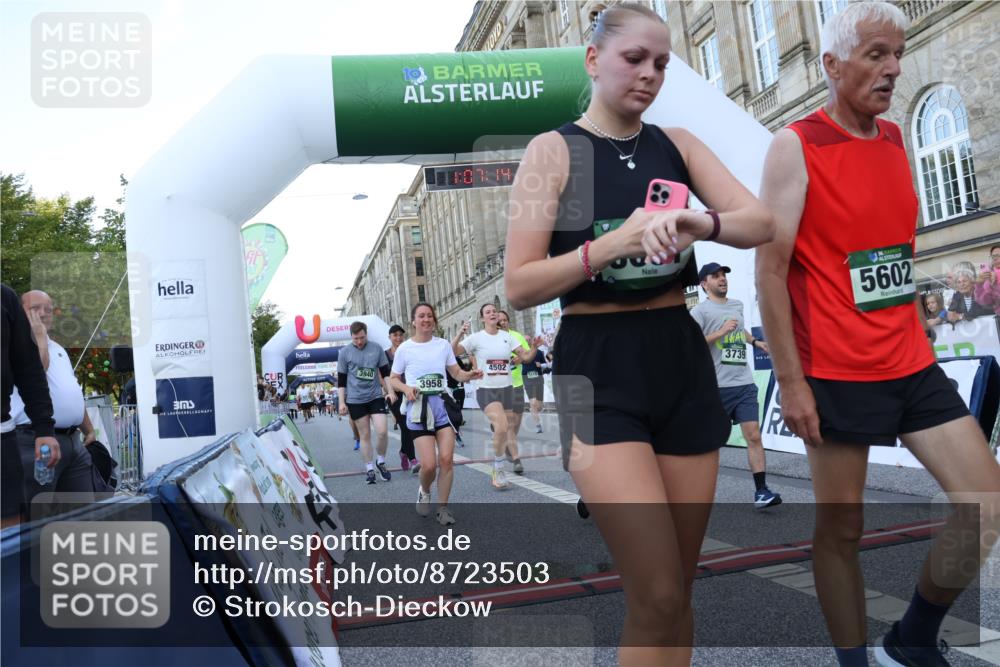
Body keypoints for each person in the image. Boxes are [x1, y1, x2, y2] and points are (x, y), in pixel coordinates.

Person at [503, 4, 775, 663]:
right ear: (594, 60)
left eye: (661, 62)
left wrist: (699, 224)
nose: (650, 74)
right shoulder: (554, 150)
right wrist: (611, 245)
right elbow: (518, 285)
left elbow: (758, 220)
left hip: (679, 357)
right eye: (634, 59)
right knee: (653, 592)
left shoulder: (676, 144)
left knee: (679, 591)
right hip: (591, 366)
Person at [756, 4, 1000, 666]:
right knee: (841, 528)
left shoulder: (895, 140)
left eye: (898, 52)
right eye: (875, 54)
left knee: (984, 504)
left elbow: (884, 259)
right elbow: (770, 271)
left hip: (910, 361)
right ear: (832, 65)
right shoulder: (795, 145)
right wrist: (790, 380)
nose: (893, 67)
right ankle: (854, 661)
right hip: (834, 371)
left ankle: (912, 638)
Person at [690, 263, 781, 509]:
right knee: (708, 444)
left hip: (743, 383)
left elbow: (739, 332)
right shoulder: (700, 312)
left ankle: (761, 491)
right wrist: (720, 332)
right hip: (716, 387)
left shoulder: (737, 305)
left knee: (753, 436)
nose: (722, 279)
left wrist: (755, 342)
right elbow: (692, 344)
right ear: (703, 284)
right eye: (715, 276)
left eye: (723, 276)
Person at [390, 303, 482, 525]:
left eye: (429, 316)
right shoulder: (405, 348)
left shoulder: (443, 346)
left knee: (447, 460)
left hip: (442, 407)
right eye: (421, 316)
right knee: (429, 465)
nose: (426, 319)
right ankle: (424, 489)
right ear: (414, 321)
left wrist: (470, 375)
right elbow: (393, 378)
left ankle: (443, 508)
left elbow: (456, 373)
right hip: (418, 409)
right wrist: (406, 388)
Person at [10, 290, 98, 507]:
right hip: (36, 440)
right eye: (35, 309)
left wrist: (88, 428)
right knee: (39, 512)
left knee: (83, 512)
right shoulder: (13, 344)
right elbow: (35, 373)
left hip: (72, 442)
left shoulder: (57, 348)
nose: (43, 314)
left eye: (48, 310)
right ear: (19, 312)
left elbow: (70, 390)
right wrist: (38, 337)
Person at [452, 304, 542, 489]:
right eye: (488, 312)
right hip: (486, 389)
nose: (493, 314)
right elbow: (452, 352)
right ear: (482, 318)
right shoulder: (476, 338)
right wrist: (460, 333)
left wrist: (534, 347)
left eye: (494, 311)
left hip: (507, 389)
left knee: (504, 429)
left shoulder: (506, 337)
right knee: (501, 427)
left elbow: (525, 357)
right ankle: (498, 468)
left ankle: (500, 462)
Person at [1, 284, 58, 527]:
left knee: (9, 523)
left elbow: (28, 368)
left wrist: (44, 428)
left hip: (2, 435)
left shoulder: (5, 297)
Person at [338, 322, 395, 484]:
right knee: (365, 435)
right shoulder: (344, 353)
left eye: (362, 337)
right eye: (356, 338)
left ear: (366, 334)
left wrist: (390, 391)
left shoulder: (376, 348)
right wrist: (341, 403)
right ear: (351, 336)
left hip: (375, 396)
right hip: (356, 400)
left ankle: (381, 462)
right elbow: (341, 381)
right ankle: (370, 468)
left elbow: (385, 373)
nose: (359, 341)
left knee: (382, 431)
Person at [497, 310, 531, 472]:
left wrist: (522, 358)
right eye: (500, 320)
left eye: (505, 320)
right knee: (510, 424)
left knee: (516, 423)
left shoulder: (517, 336)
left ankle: (508, 444)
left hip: (517, 384)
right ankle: (517, 460)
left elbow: (528, 355)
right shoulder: (492, 339)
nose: (503, 322)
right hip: (500, 386)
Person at [385, 323, 419, 472]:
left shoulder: (408, 350)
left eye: (400, 335)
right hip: (394, 395)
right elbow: (384, 376)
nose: (398, 338)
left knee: (410, 426)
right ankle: (412, 458)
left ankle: (404, 452)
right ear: (390, 337)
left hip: (409, 391)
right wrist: (390, 392)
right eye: (395, 335)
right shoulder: (385, 354)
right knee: (405, 426)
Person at [521, 344, 547, 434]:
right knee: (533, 402)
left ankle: (535, 409)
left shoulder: (539, 352)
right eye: (525, 341)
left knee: (539, 406)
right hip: (527, 380)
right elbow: (514, 363)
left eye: (529, 341)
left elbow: (545, 364)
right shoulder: (522, 353)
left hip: (539, 380)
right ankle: (538, 426)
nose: (527, 343)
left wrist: (541, 365)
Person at [973, 245, 1000, 317]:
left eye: (998, 255)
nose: (995, 259)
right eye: (993, 256)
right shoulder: (988, 274)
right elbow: (984, 302)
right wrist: (979, 285)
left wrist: (996, 284)